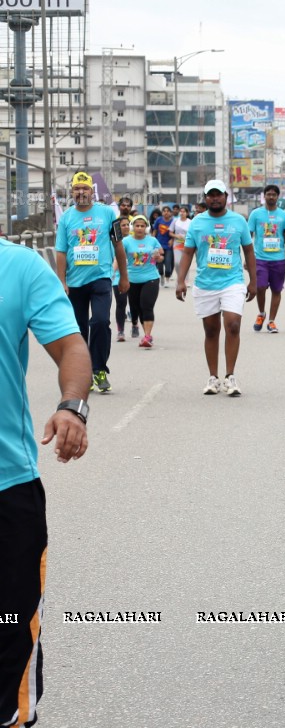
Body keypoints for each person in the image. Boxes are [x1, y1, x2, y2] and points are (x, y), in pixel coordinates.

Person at [0, 236, 91, 728]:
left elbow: (70, 345)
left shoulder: (17, 266)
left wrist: (71, 406)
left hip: (6, 482)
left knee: (9, 626)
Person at [175, 180, 257, 396]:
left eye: (218, 195)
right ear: (205, 198)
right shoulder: (197, 223)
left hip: (232, 282)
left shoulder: (238, 221)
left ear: (226, 197)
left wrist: (254, 280)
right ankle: (213, 377)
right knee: (211, 331)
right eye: (210, 195)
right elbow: (187, 253)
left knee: (233, 325)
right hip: (205, 284)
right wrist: (180, 280)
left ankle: (230, 376)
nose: (214, 198)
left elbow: (248, 251)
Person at [54, 171, 128, 394]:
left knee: (99, 322)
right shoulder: (66, 218)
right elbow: (60, 252)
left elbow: (118, 246)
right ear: (72, 192)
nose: (81, 192)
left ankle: (99, 370)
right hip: (75, 284)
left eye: (85, 188)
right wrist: (61, 281)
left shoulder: (107, 214)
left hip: (101, 279)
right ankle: (83, 372)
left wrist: (124, 276)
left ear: (92, 192)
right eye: (76, 189)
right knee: (78, 331)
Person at [248, 184, 285, 334]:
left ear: (278, 197)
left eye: (274, 194)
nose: (271, 197)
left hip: (278, 259)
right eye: (268, 194)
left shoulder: (284, 216)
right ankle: (261, 313)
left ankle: (272, 321)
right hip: (260, 258)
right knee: (260, 287)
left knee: (276, 290)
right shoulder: (255, 214)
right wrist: (247, 259)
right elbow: (249, 237)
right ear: (264, 196)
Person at [122, 215, 164, 348]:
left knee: (147, 306)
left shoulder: (152, 241)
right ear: (132, 227)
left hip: (150, 278)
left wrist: (158, 257)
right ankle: (138, 326)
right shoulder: (126, 242)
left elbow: (161, 256)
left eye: (142, 226)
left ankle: (147, 336)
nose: (139, 228)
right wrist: (114, 274)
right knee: (136, 308)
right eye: (137, 225)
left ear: (146, 228)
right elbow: (120, 259)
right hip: (132, 280)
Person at [112, 217, 132, 343]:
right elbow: (115, 259)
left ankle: (135, 323)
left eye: (127, 224)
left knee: (136, 304)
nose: (125, 227)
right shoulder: (112, 241)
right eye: (122, 225)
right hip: (118, 277)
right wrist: (112, 273)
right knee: (121, 303)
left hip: (135, 276)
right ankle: (120, 331)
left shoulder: (134, 239)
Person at [170, 205, 192, 285]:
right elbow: (170, 232)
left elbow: (193, 233)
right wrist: (176, 236)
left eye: (184, 212)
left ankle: (186, 280)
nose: (182, 213)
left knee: (186, 262)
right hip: (177, 244)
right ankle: (180, 278)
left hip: (187, 245)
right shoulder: (175, 221)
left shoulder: (190, 222)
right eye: (181, 211)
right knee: (177, 263)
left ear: (187, 213)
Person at [153, 205, 175, 282]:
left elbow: (174, 232)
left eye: (167, 211)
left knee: (168, 263)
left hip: (168, 246)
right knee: (160, 264)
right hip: (159, 245)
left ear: (170, 213)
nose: (166, 212)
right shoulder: (158, 220)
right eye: (164, 211)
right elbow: (155, 231)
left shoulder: (173, 221)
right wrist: (153, 240)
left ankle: (167, 277)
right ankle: (161, 275)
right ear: (162, 213)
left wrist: (172, 240)